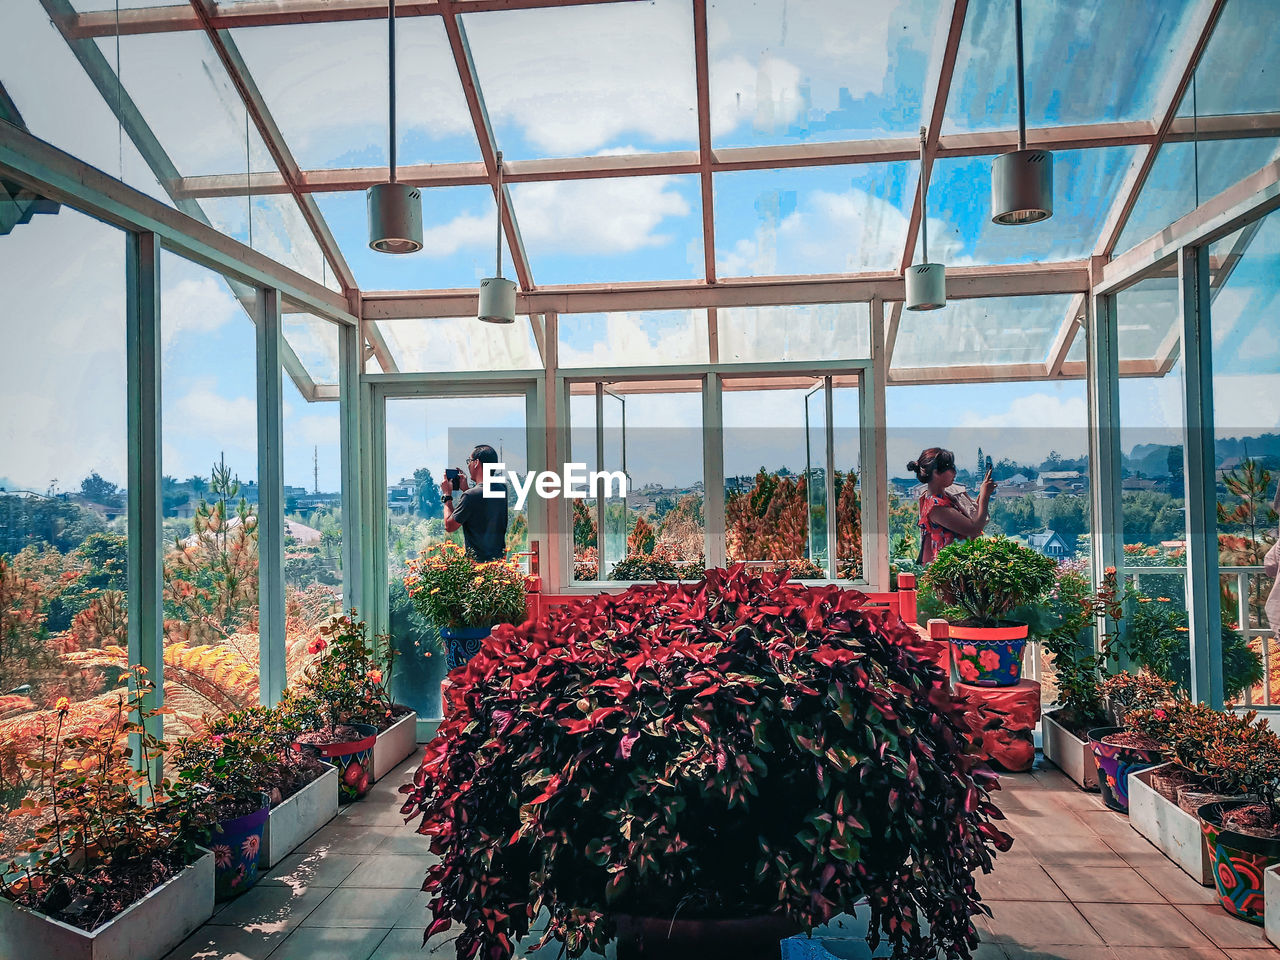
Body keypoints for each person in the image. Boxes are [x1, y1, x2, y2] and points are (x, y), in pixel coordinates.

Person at [908, 447, 996, 566]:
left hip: (957, 567)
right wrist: (985, 496)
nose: (954, 472)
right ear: (935, 472)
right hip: (951, 571)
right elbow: (974, 529)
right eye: (950, 468)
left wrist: (983, 493)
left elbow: (971, 520)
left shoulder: (944, 497)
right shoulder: (936, 507)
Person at [440, 444, 508, 562]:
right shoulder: (502, 489)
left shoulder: (470, 496)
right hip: (498, 565)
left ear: (476, 463)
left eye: (469, 461)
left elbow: (449, 526)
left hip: (478, 567)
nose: (468, 465)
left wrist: (447, 495)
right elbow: (481, 507)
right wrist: (466, 489)